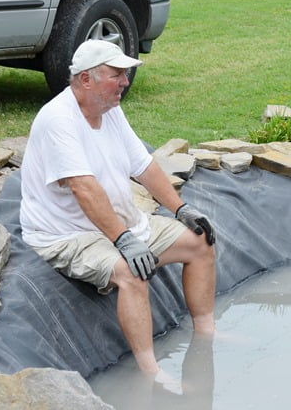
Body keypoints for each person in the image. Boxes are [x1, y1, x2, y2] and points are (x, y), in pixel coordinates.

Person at [19, 39, 216, 383]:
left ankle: (206, 335)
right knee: (131, 271)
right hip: (69, 235)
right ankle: (150, 372)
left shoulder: (110, 109)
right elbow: (83, 188)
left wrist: (181, 209)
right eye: (116, 74)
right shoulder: (57, 120)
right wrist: (123, 240)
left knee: (201, 243)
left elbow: (143, 166)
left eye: (125, 74)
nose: (125, 81)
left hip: (121, 224)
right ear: (85, 80)